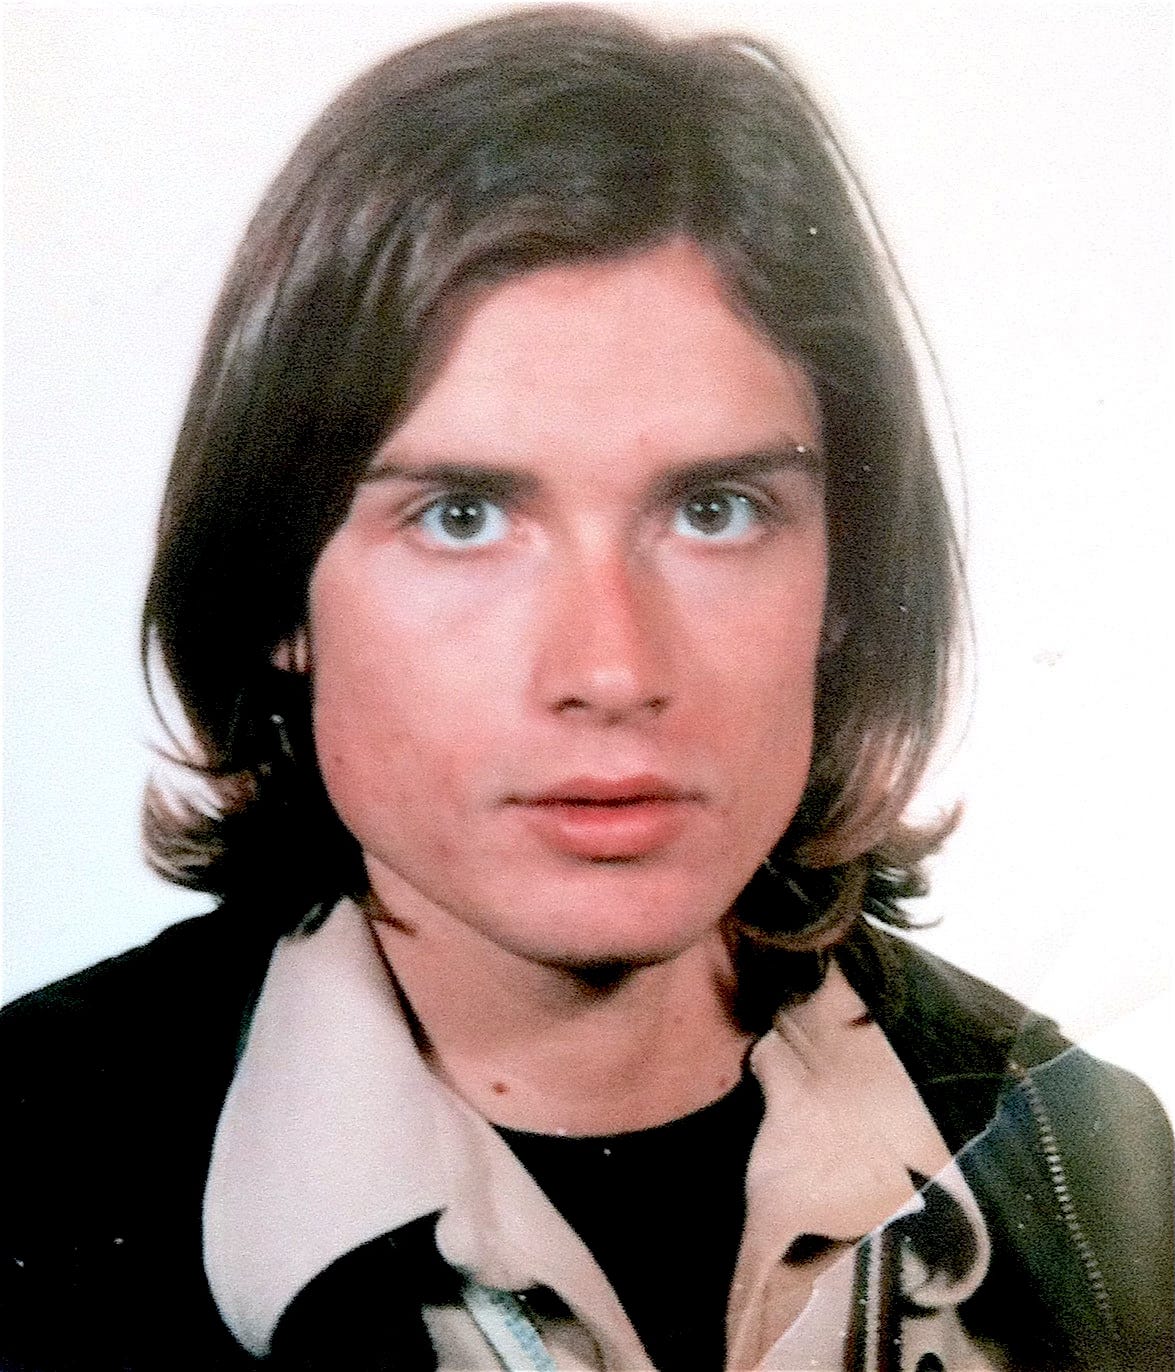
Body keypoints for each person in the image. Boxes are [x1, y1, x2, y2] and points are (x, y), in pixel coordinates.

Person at [2, 8, 1170, 1370]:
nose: (612, 670)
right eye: (463, 518)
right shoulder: (22, 1179)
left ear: (847, 577)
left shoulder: (1080, 1160)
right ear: (277, 596)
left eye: (717, 511)